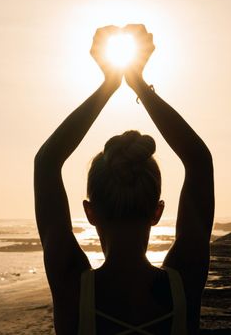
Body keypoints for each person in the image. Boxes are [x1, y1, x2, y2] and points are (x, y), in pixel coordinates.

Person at [34, 24, 214, 335]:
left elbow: (46, 164)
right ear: (157, 212)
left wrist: (109, 84)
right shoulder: (181, 285)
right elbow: (199, 162)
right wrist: (139, 84)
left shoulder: (73, 287)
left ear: (90, 213)